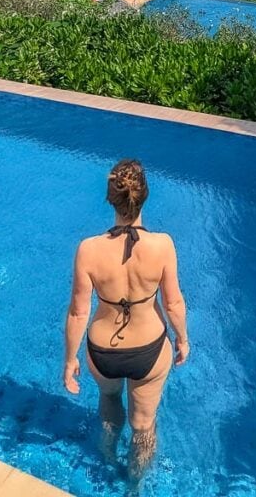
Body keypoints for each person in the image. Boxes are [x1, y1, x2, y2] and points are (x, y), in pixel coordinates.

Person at [63, 159, 189, 476]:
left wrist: (69, 359)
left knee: (108, 400)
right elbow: (173, 303)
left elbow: (79, 311)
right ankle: (134, 487)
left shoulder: (88, 249)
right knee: (143, 426)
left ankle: (106, 459)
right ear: (144, 196)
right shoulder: (163, 245)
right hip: (148, 350)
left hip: (102, 352)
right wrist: (182, 340)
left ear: (110, 198)